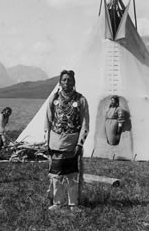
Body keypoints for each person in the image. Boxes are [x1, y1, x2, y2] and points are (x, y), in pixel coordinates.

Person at [45, 70, 89, 211]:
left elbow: (85, 123)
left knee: (72, 175)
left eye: (69, 80)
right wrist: (47, 142)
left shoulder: (81, 100)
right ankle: (57, 202)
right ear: (60, 82)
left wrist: (80, 143)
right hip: (55, 142)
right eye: (64, 80)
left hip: (72, 143)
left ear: (74, 82)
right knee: (56, 175)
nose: (66, 82)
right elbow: (48, 120)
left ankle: (73, 203)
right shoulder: (53, 99)